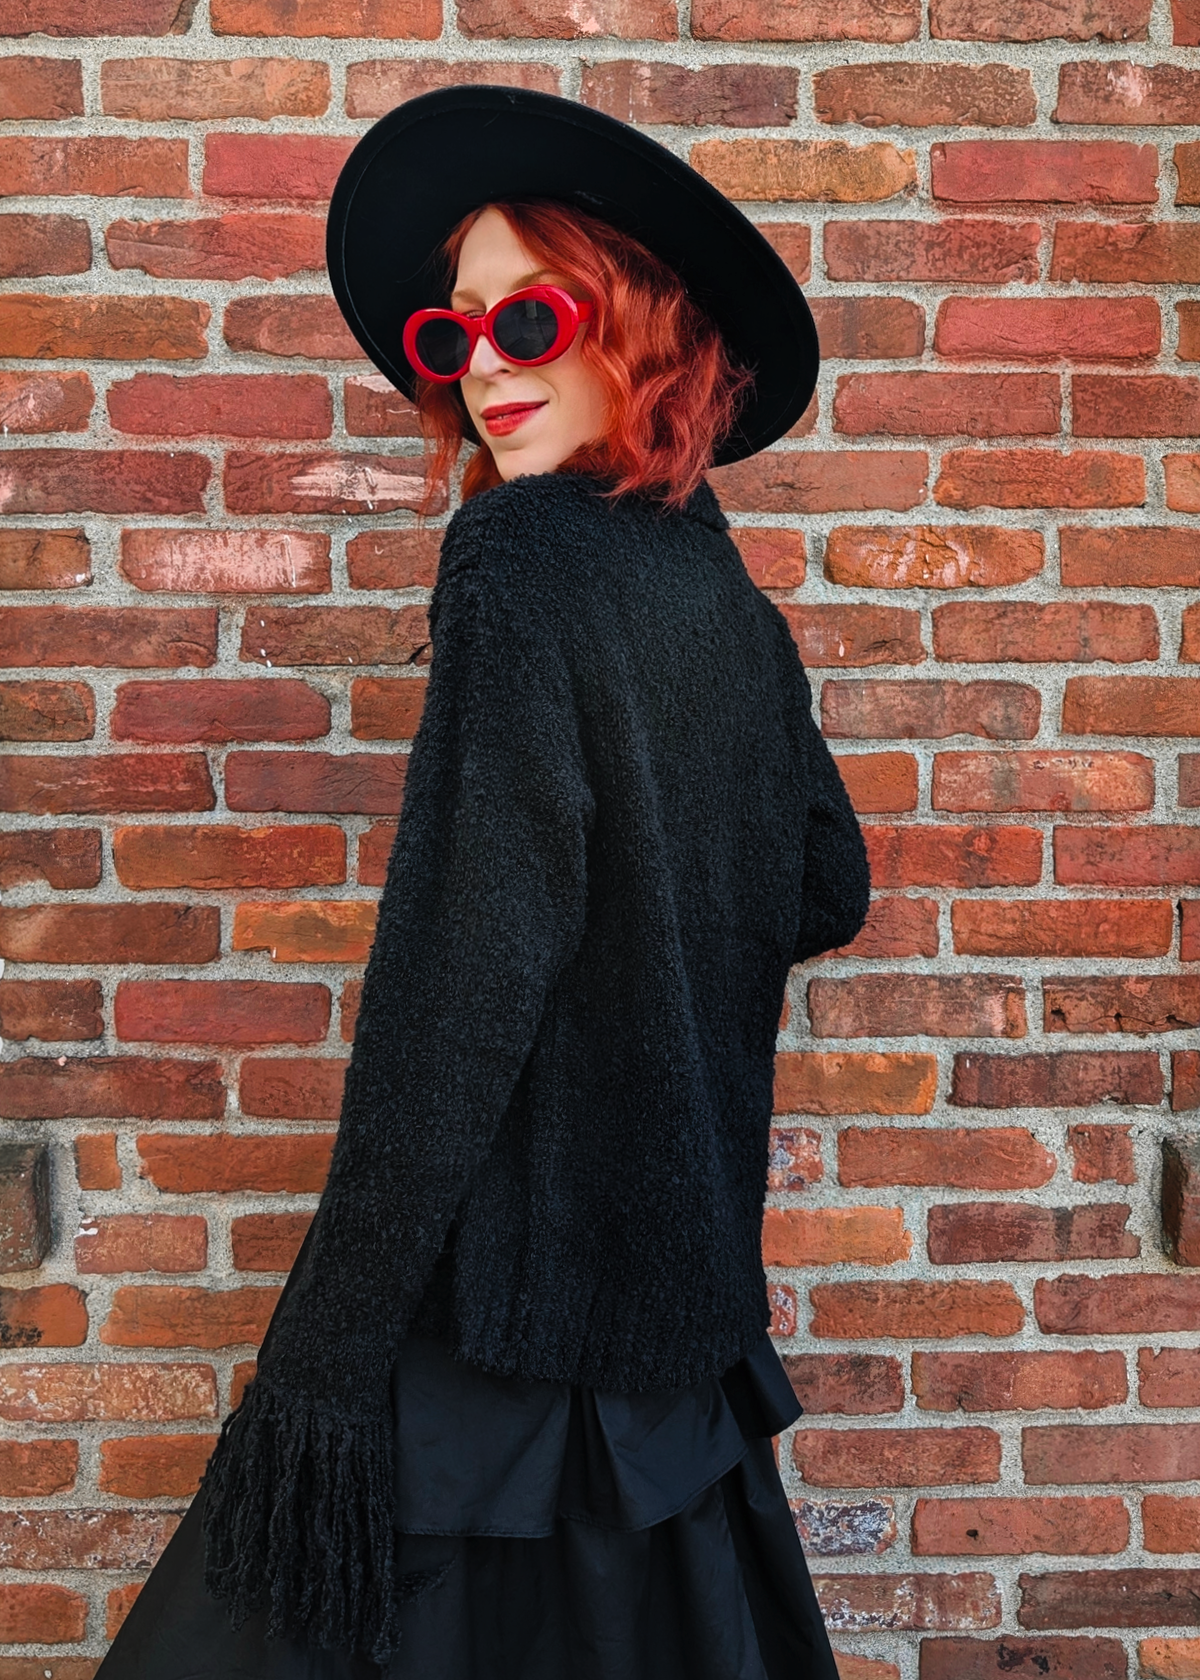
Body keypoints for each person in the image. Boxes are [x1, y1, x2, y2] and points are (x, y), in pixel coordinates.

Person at [96, 85, 870, 1680]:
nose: (487, 368)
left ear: (646, 327)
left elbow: (462, 984)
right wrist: (655, 938)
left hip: (507, 1315)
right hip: (672, 1319)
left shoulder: (517, 559)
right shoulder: (723, 592)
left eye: (530, 317)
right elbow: (824, 884)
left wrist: (321, 1358)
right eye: (455, 337)